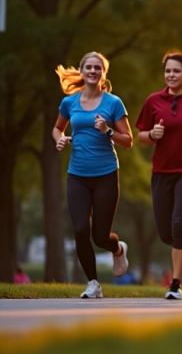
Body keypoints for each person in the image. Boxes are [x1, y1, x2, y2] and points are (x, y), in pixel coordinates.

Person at [52, 52, 132, 299]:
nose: (93, 71)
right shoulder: (69, 103)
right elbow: (57, 128)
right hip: (77, 174)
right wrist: (60, 140)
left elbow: (128, 141)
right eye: (89, 67)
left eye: (98, 68)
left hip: (106, 174)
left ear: (103, 73)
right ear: (81, 70)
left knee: (100, 235)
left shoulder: (113, 103)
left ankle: (117, 248)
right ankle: (93, 283)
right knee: (78, 229)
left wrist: (107, 130)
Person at [137, 51, 182, 300]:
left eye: (176, 71)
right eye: (168, 71)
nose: (171, 75)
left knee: (178, 224)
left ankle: (175, 285)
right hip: (161, 172)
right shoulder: (153, 101)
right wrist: (152, 134)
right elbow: (139, 137)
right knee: (166, 233)